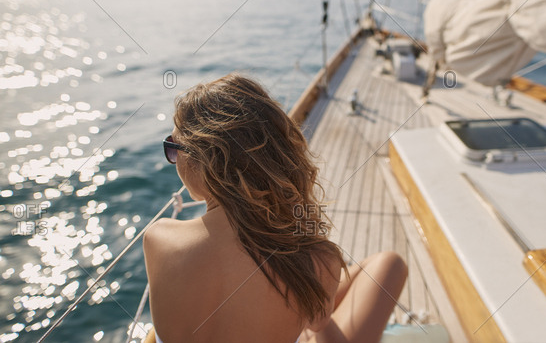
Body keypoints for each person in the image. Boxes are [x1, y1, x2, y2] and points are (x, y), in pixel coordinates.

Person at [144, 73, 408, 343]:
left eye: (173, 148)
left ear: (205, 159)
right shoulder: (318, 260)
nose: (173, 160)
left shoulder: (158, 239)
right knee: (389, 264)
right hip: (306, 291)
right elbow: (318, 324)